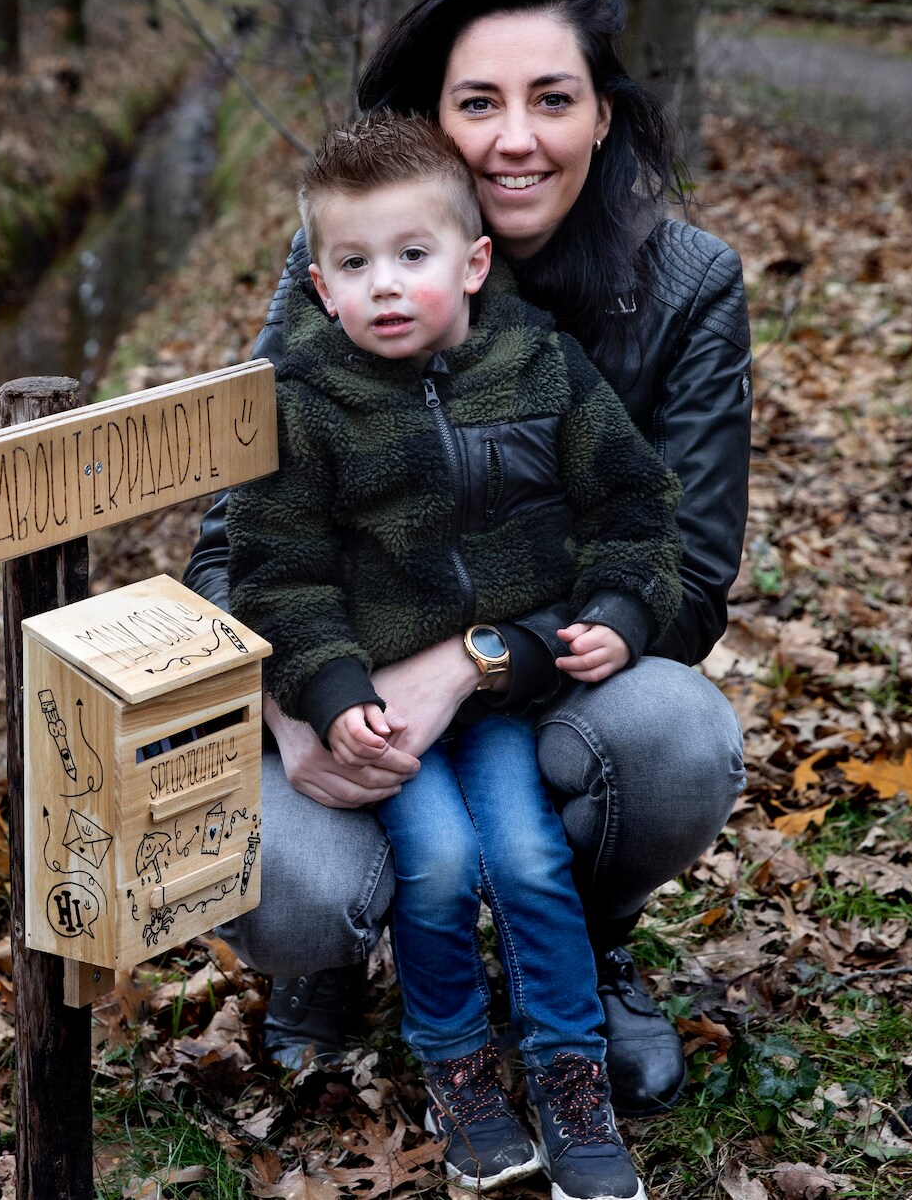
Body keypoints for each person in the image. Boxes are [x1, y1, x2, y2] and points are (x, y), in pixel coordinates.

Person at [183, 0, 751, 1116]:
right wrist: (293, 711)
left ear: (602, 116)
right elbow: (229, 545)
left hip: (557, 684)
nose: (515, 140)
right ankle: (339, 952)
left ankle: (587, 940)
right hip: (356, 680)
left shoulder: (687, 286)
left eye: (553, 99)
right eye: (479, 103)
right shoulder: (352, 264)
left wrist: (480, 659)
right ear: (435, 122)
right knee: (279, 876)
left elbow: (690, 577)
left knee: (683, 736)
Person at [227, 111, 677, 1198]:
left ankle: (570, 1074)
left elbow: (634, 504)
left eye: (412, 256)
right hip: (386, 710)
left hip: (509, 695)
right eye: (354, 265)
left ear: (473, 265)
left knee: (526, 859)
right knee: (434, 863)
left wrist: (620, 605)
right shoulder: (303, 406)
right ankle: (458, 1071)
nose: (385, 285)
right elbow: (276, 577)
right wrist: (331, 691)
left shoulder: (542, 368)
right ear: (320, 286)